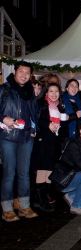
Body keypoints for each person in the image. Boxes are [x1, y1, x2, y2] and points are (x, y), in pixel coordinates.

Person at [0, 61, 39, 222]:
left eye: (27, 73)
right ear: (15, 72)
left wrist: (34, 130)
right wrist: (3, 118)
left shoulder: (30, 92)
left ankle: (24, 206)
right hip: (8, 137)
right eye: (21, 71)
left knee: (24, 174)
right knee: (9, 174)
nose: (23, 75)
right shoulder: (5, 89)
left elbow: (34, 113)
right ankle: (7, 209)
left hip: (26, 138)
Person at [30, 82, 67, 212]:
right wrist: (48, 124)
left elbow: (63, 131)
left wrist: (65, 120)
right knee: (42, 170)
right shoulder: (41, 104)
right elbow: (35, 119)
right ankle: (41, 201)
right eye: (51, 91)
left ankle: (42, 199)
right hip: (42, 142)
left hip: (54, 143)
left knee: (49, 172)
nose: (54, 94)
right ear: (46, 93)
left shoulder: (60, 108)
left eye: (56, 91)